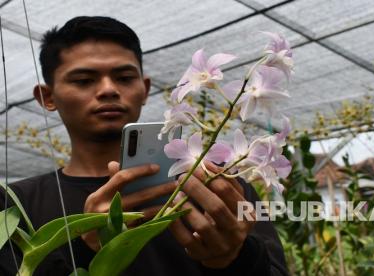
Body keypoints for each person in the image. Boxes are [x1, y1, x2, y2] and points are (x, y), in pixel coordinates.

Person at [0, 16, 288, 275]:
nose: (108, 90)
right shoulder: (15, 204)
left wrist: (236, 258)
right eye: (84, 80)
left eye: (124, 77)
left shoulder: (219, 182)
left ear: (145, 89)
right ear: (47, 97)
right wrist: (88, 249)